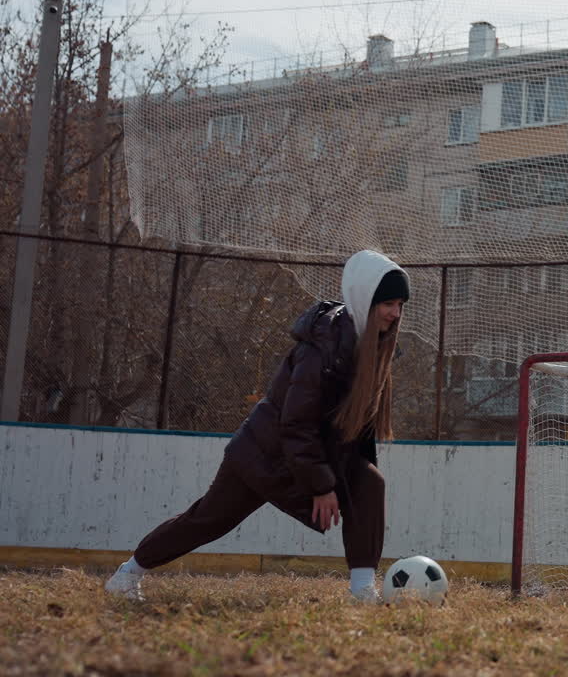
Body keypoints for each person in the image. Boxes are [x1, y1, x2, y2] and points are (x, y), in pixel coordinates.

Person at [105, 249, 409, 604]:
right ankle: (126, 575)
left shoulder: (372, 348)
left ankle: (361, 591)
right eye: (388, 302)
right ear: (364, 296)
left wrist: (339, 478)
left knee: (369, 482)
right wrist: (322, 484)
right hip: (262, 456)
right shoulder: (320, 349)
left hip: (302, 458)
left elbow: (353, 432)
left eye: (400, 304)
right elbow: (296, 424)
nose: (395, 313)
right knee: (207, 520)